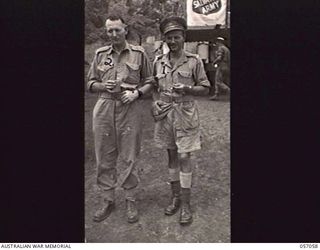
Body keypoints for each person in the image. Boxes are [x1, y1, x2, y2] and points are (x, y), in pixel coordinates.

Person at [87, 14, 154, 223]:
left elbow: (151, 81)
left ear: (126, 29)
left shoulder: (139, 53)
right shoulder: (99, 54)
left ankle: (130, 199)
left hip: (129, 107)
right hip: (104, 106)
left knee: (129, 155)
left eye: (117, 29)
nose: (113, 34)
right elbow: (90, 82)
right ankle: (108, 199)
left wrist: (137, 94)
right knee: (104, 155)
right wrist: (100, 86)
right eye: (109, 31)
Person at [152, 16, 210, 225]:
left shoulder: (194, 61)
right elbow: (153, 86)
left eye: (176, 37)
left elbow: (205, 87)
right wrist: (154, 102)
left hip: (185, 114)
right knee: (172, 156)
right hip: (166, 115)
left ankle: (186, 203)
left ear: (183, 37)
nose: (172, 41)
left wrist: (187, 89)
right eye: (169, 38)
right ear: (165, 39)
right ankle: (175, 197)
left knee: (185, 156)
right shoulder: (159, 62)